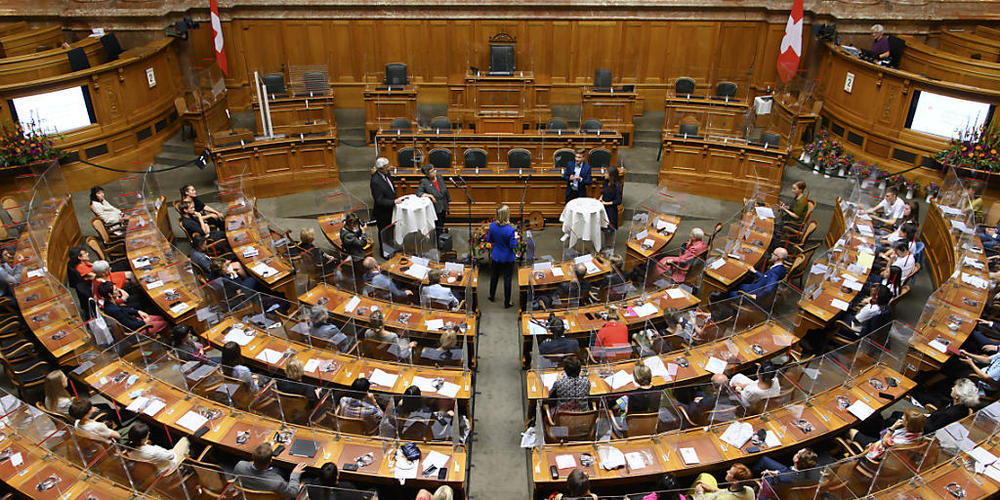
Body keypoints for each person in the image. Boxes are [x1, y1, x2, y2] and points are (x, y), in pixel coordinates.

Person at [896, 379, 979, 433]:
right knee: (897, 413)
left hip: (921, 428)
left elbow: (931, 429)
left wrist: (918, 419)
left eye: (954, 388)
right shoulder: (962, 407)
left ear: (957, 396)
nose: (952, 388)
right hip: (929, 419)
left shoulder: (950, 414)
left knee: (895, 418)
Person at [233, 442, 307, 499]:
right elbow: (293, 493)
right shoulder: (277, 482)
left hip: (249, 495)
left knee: (278, 470)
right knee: (310, 480)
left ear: (253, 456)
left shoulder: (239, 466)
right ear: (270, 461)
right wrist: (295, 474)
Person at [848, 408, 925, 462]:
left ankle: (848, 447)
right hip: (892, 455)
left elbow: (884, 440)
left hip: (877, 453)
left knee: (852, 431)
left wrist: (893, 427)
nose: (901, 418)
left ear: (907, 423)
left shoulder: (898, 441)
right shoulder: (919, 433)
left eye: (903, 417)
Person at [97, 281, 168, 335]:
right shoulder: (114, 310)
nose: (118, 291)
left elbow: (123, 309)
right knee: (164, 323)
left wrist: (138, 312)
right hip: (137, 329)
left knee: (160, 317)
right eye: (115, 290)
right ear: (110, 294)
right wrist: (145, 321)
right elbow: (131, 326)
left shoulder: (109, 303)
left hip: (134, 320)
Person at [720, 247, 788, 300]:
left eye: (774, 254)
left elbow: (769, 289)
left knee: (729, 291)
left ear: (778, 258)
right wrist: (755, 272)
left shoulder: (775, 272)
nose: (771, 255)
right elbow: (766, 277)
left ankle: (718, 300)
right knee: (738, 284)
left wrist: (756, 296)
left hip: (751, 293)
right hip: (755, 287)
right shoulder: (781, 268)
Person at [753, 448, 820, 499]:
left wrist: (768, 474)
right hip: (788, 473)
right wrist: (777, 472)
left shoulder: (783, 478)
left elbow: (770, 480)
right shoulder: (815, 470)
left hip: (778, 487)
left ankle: (752, 477)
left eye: (798, 453)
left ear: (796, 459)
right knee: (765, 460)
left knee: (764, 462)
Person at [370, 157, 404, 259]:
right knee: (384, 233)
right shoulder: (375, 181)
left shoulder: (386, 174)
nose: (389, 168)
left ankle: (391, 249)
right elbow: (379, 200)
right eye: (386, 167)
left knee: (390, 232)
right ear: (380, 169)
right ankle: (385, 254)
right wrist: (393, 201)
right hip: (383, 213)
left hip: (391, 210)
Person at [124, 422, 189, 473]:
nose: (149, 433)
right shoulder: (153, 451)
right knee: (185, 439)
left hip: (150, 469)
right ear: (142, 439)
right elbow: (171, 456)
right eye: (147, 434)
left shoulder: (128, 449)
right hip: (167, 468)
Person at [487, 205, 518, 308]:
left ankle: (491, 295)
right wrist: (516, 238)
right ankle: (507, 302)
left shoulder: (492, 226)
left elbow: (490, 240)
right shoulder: (510, 230)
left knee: (494, 276)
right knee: (507, 279)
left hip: (496, 255)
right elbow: (512, 246)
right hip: (507, 257)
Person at [417, 165, 451, 238]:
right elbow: (419, 193)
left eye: (434, 170)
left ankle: (442, 238)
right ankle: (438, 240)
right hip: (435, 207)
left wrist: (448, 200)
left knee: (442, 222)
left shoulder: (439, 177)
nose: (434, 172)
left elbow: (445, 190)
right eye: (431, 171)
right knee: (437, 224)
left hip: (443, 204)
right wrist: (430, 196)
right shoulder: (424, 181)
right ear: (427, 174)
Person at [689, 464, 754, 500]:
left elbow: (726, 496)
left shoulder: (723, 498)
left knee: (699, 485)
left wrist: (699, 492)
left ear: (735, 481)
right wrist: (713, 489)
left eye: (730, 473)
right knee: (705, 476)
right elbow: (728, 492)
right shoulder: (749, 489)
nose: (727, 472)